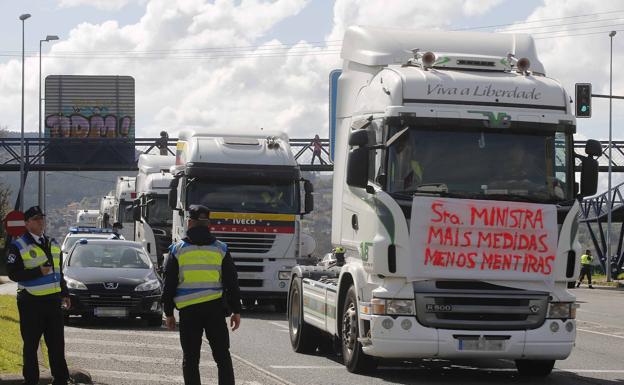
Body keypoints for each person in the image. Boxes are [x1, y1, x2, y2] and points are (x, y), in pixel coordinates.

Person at [162, 205, 241, 385]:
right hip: (215, 311)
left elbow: (169, 285)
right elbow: (232, 282)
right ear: (209, 224)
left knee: (190, 359)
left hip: (189, 312)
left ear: (189, 223)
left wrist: (168, 313)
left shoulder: (177, 249)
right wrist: (236, 310)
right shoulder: (221, 249)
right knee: (222, 357)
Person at [5, 205, 70, 385]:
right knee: (31, 345)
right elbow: (13, 274)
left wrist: (65, 293)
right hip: (31, 302)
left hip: (53, 302)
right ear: (26, 224)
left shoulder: (53, 243)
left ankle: (61, 379)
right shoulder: (18, 246)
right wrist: (37, 272)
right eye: (35, 219)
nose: (40, 221)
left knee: (57, 345)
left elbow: (59, 273)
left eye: (42, 218)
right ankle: (31, 381)